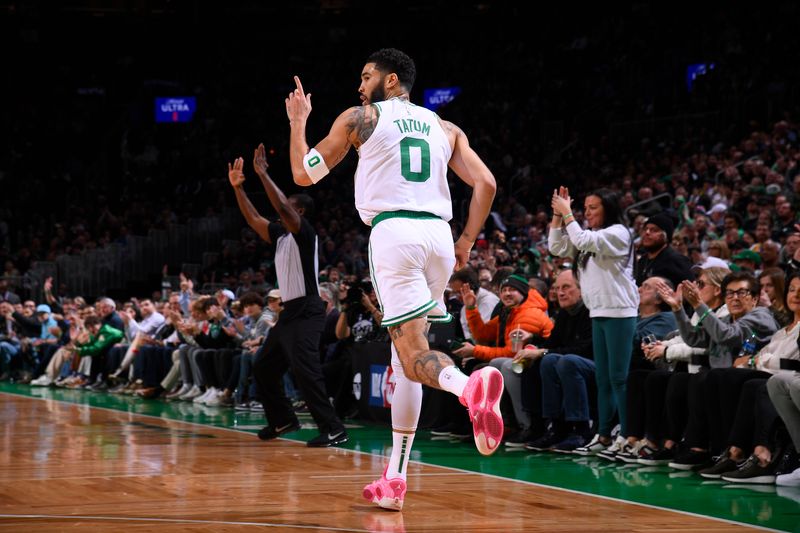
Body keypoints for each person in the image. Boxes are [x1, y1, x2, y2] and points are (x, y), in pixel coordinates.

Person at [285, 48, 498, 511]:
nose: (360, 85)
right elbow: (486, 185)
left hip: (395, 232)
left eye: (367, 76)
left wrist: (298, 122)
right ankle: (395, 478)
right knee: (403, 362)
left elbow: (303, 174)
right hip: (439, 237)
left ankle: (469, 389)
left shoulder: (361, 118)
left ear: (393, 80)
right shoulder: (447, 128)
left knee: (412, 352)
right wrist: (465, 242)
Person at [228, 144, 346, 448]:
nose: (280, 211)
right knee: (264, 366)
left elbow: (281, 208)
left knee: (305, 370)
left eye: (288, 206)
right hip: (290, 312)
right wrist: (239, 188)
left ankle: (333, 429)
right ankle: (282, 419)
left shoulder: (305, 233)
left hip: (308, 309)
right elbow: (254, 218)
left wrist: (264, 174)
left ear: (300, 211)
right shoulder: (280, 235)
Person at [549, 187, 639, 457]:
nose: (587, 212)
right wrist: (557, 215)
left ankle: (627, 435)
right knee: (603, 379)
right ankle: (603, 434)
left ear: (608, 209)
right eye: (585, 208)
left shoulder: (619, 233)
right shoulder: (590, 237)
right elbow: (556, 246)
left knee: (619, 379)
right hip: (598, 311)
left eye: (593, 208)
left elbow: (582, 239)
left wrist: (567, 214)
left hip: (620, 312)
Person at [634, 212, 694, 288]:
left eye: (654, 230)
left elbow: (690, 291)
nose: (647, 232)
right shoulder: (642, 261)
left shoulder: (676, 260)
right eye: (645, 229)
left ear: (666, 236)